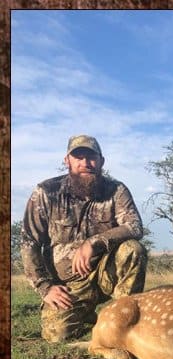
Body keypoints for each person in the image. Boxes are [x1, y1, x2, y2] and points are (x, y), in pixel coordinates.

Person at [21, 134, 147, 343]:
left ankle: (122, 319)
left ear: (101, 161)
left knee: (133, 249)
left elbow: (134, 226)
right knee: (57, 335)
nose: (85, 163)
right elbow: (29, 242)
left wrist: (94, 242)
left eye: (91, 158)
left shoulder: (117, 190)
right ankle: (88, 316)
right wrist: (46, 287)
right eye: (78, 157)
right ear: (67, 161)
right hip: (68, 285)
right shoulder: (46, 192)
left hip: (105, 274)